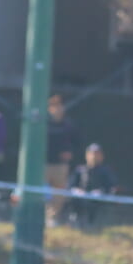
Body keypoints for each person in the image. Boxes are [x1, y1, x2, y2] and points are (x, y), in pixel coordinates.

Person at [45, 93, 80, 226]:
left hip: (60, 166)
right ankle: (41, 216)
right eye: (53, 106)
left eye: (59, 106)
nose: (57, 109)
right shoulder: (43, 124)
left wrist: (70, 153)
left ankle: (52, 218)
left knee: (59, 193)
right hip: (43, 164)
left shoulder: (69, 125)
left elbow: (77, 142)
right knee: (41, 192)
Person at [66, 143, 119, 227]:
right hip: (81, 197)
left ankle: (92, 223)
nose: (94, 156)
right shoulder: (80, 170)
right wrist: (77, 190)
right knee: (75, 200)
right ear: (87, 155)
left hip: (98, 199)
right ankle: (76, 221)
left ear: (101, 156)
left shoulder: (106, 171)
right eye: (91, 154)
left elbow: (112, 187)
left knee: (94, 201)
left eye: (97, 154)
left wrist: (101, 191)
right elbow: (70, 185)